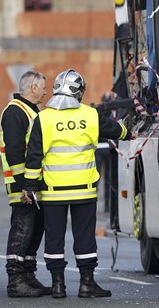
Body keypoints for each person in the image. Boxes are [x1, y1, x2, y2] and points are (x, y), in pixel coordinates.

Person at [23, 69, 132, 298]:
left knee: (54, 238)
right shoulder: (90, 115)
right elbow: (117, 131)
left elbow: (34, 157)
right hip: (84, 190)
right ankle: (87, 284)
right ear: (79, 92)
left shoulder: (43, 118)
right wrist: (128, 129)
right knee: (84, 238)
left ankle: (58, 285)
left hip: (53, 192)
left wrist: (30, 187)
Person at [1, 70, 50, 297]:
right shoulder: (14, 112)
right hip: (22, 186)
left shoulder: (31, 111)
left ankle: (28, 276)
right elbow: (15, 151)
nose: (46, 91)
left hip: (31, 185)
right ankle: (16, 280)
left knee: (34, 229)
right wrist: (25, 186)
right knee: (23, 229)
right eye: (43, 87)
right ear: (32, 87)